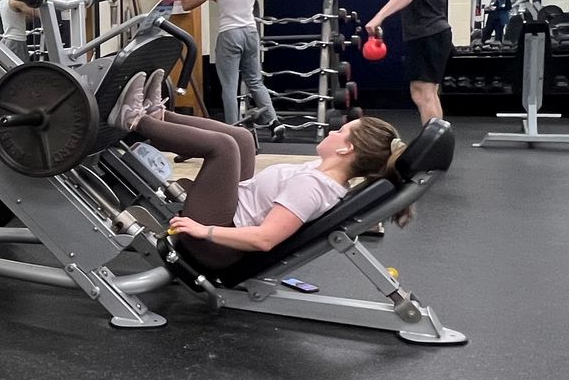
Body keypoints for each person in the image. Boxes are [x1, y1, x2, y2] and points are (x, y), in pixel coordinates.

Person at [110, 72, 405, 271]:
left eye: (340, 131)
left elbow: (264, 239)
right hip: (236, 210)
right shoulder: (323, 171)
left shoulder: (313, 186)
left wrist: (204, 231)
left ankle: (135, 122)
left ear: (345, 150)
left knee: (224, 147)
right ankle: (160, 117)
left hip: (217, 245)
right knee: (243, 140)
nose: (333, 131)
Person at [174, 0, 276, 127]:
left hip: (230, 35)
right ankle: (274, 121)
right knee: (255, 81)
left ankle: (234, 127)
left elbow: (188, 5)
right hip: (251, 33)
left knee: (229, 86)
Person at [364, 0, 451, 125]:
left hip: (427, 33)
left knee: (422, 93)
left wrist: (379, 17)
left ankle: (432, 147)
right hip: (434, 33)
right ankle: (436, 143)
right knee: (428, 92)